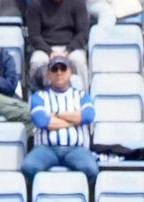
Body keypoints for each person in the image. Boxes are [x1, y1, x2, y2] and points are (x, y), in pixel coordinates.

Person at [21, 55, 98, 183]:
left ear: (69, 72)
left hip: (76, 149)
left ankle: (72, 193)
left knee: (91, 169)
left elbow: (88, 116)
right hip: (46, 148)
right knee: (29, 167)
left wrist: (56, 114)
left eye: (63, 68)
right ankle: (48, 191)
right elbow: (42, 121)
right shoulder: (39, 96)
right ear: (48, 74)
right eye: (54, 69)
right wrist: (74, 120)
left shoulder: (81, 95)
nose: (59, 73)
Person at [26, 0, 89, 91]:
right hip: (44, 48)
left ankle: (82, 96)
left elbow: (83, 33)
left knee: (78, 60)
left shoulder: (77, 2)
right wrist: (49, 52)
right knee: (37, 61)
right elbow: (34, 35)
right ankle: (37, 97)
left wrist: (68, 51)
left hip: (71, 47)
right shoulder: (36, 4)